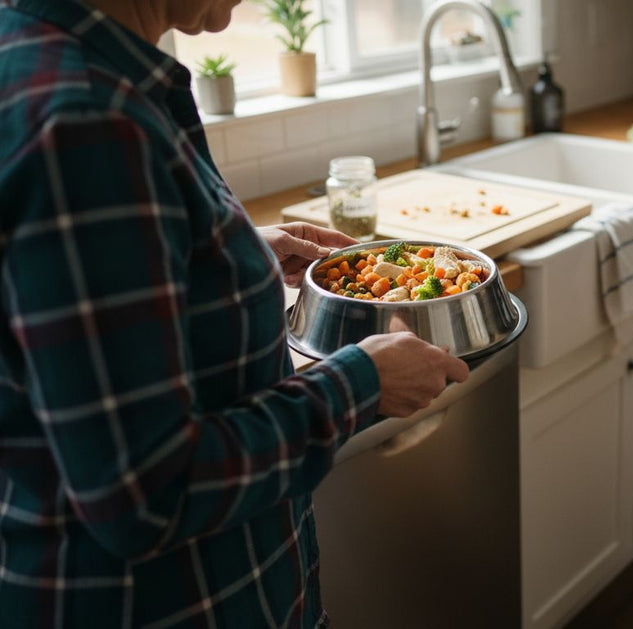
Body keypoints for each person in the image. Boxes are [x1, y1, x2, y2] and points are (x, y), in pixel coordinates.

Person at [0, 0, 469, 626]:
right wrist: (364, 382)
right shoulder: (88, 121)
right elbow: (146, 493)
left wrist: (228, 255)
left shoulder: (47, 58)